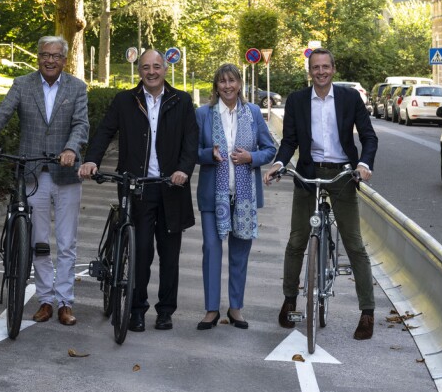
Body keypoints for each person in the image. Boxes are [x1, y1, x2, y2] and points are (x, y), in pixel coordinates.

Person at [0, 36, 89, 326]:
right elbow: (1, 114)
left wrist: (71, 148)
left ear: (64, 60)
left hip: (66, 173)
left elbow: (81, 124)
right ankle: (45, 299)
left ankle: (65, 302)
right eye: (45, 55)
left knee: (66, 242)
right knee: (38, 241)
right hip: (33, 173)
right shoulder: (22, 84)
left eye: (56, 56)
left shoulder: (76, 87)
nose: (50, 60)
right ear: (38, 57)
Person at [80, 49, 198, 333]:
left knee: (169, 255)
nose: (151, 72)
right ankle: (136, 309)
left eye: (156, 66)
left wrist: (183, 170)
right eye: (146, 67)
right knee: (140, 252)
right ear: (139, 71)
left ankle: (165, 311)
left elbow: (191, 141)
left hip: (171, 187)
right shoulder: (125, 100)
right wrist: (92, 160)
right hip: (137, 187)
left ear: (165, 69)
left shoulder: (181, 100)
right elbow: (105, 131)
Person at [264, 48, 379, 340]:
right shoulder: (297, 100)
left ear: (333, 69)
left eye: (325, 66)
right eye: (316, 67)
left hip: (342, 174)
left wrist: (364, 165)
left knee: (354, 244)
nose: (321, 72)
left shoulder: (350, 98)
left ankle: (367, 312)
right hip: (308, 173)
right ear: (310, 71)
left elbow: (369, 136)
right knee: (296, 241)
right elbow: (289, 141)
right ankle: (290, 299)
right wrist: (278, 163)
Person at [195, 64, 277, 330]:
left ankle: (235, 308)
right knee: (211, 249)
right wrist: (208, 154)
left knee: (240, 253)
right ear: (216, 86)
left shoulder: (252, 112)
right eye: (222, 81)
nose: (227, 86)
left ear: (240, 84)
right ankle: (211, 310)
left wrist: (251, 157)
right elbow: (191, 150)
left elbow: (270, 149)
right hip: (212, 195)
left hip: (245, 196)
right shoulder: (203, 114)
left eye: (232, 80)